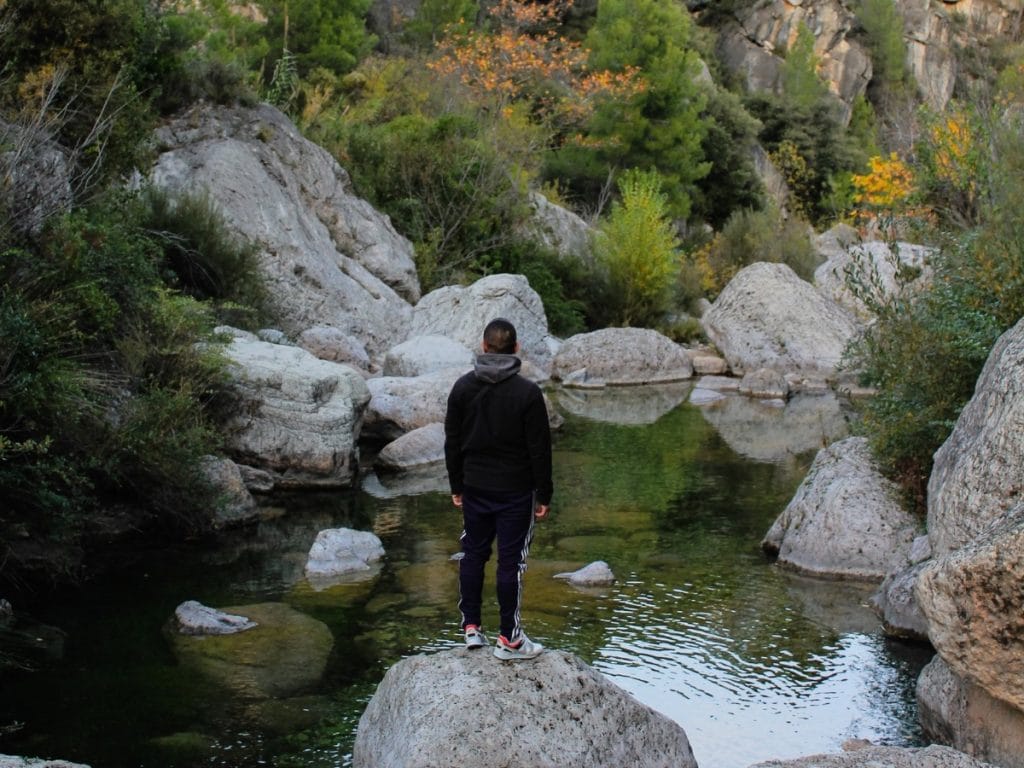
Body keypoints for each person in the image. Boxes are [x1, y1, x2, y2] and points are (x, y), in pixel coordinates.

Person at [444, 317, 553, 661]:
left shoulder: (463, 388)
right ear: (516, 349)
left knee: (473, 554)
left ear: (484, 347)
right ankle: (510, 639)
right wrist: (545, 494)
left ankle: (471, 628)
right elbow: (540, 449)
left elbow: (452, 442)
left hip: (474, 487)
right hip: (516, 492)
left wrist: (456, 484)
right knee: (510, 563)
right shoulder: (528, 394)